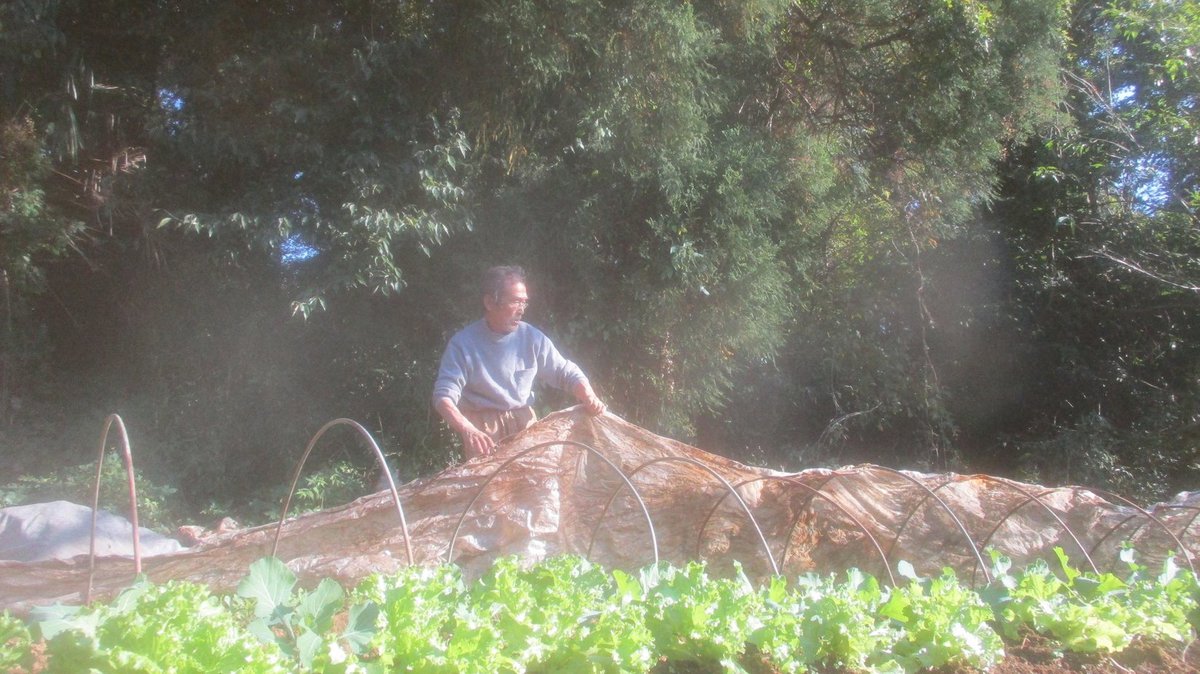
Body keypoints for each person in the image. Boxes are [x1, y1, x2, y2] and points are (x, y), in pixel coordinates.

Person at [432, 265, 606, 459]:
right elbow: (443, 397)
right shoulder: (463, 344)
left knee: (539, 485)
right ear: (490, 302)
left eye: (524, 303)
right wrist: (468, 429)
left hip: (526, 428)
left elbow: (564, 372)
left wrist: (588, 395)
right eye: (515, 301)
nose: (521, 310)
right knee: (492, 489)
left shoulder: (531, 338)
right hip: (485, 435)